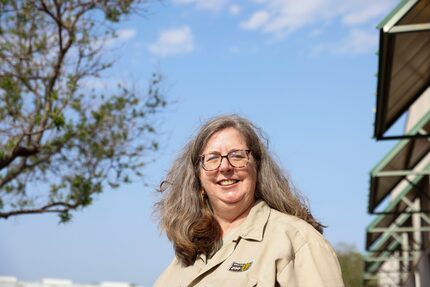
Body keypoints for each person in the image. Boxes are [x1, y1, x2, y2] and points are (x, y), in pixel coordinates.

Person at [154, 115, 344, 287]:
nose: (225, 166)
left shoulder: (296, 240)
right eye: (212, 158)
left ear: (258, 168)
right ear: (198, 179)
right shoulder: (184, 258)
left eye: (237, 155)